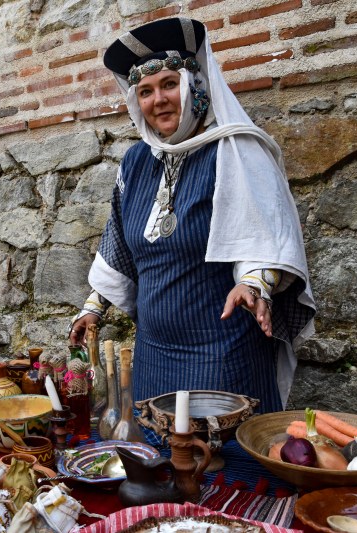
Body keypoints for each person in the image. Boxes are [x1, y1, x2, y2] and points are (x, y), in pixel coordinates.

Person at [68, 17, 315, 413]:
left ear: (196, 85)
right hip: (153, 356)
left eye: (169, 84)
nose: (158, 100)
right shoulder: (136, 162)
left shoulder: (235, 150)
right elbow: (120, 241)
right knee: (157, 464)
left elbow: (267, 233)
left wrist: (254, 283)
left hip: (222, 355)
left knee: (222, 469)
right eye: (145, 91)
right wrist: (95, 307)